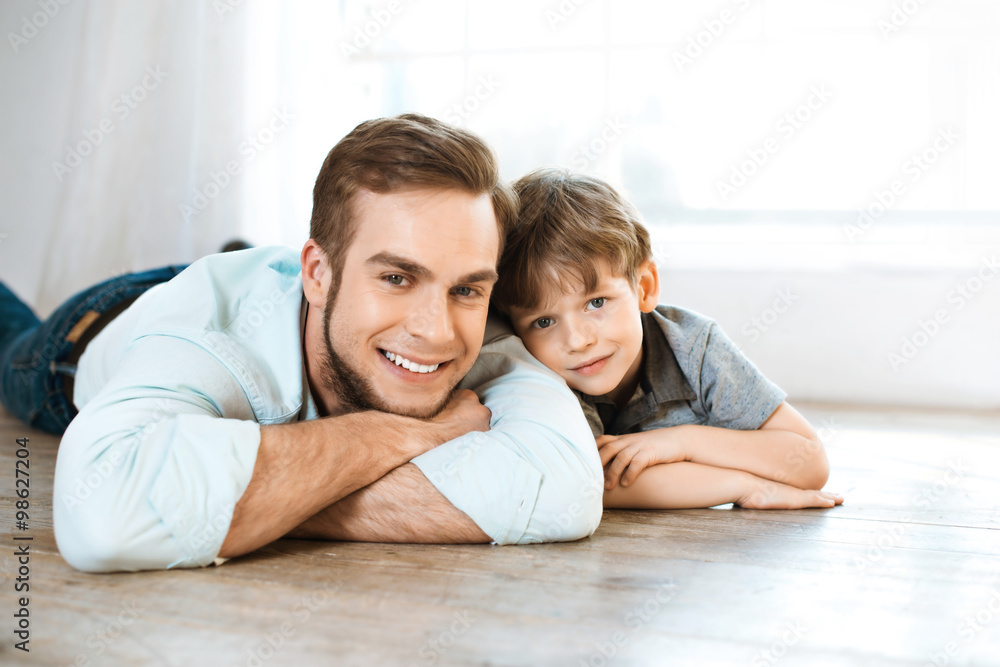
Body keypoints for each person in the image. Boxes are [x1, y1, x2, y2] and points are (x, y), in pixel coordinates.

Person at [0, 115, 604, 573]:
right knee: (10, 339)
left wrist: (258, 497)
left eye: (467, 289)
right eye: (397, 277)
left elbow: (565, 492)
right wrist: (415, 434)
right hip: (87, 333)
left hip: (279, 282)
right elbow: (103, 515)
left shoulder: (485, 328)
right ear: (319, 272)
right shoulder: (202, 333)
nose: (438, 331)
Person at [490, 168, 844, 510]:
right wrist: (744, 485)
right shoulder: (537, 375)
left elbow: (809, 464)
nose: (578, 340)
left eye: (596, 303)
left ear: (644, 287)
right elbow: (582, 484)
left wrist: (682, 443)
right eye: (544, 321)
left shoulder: (694, 348)